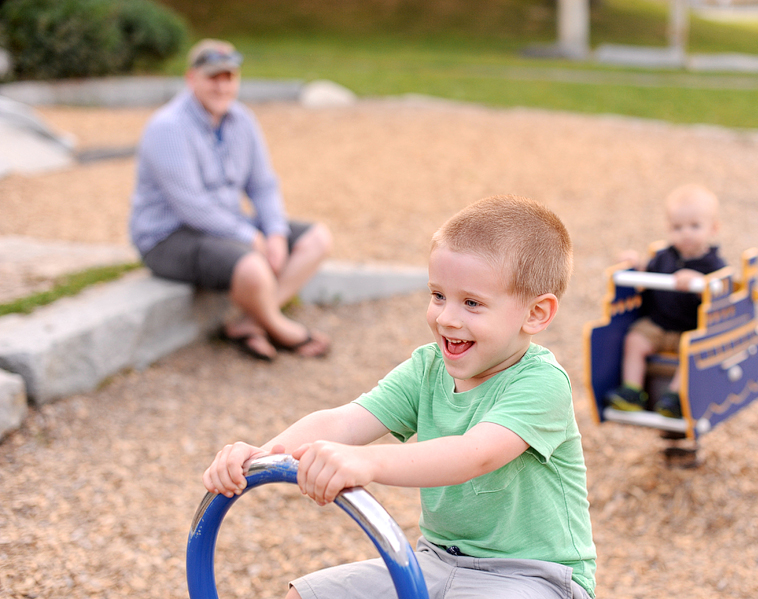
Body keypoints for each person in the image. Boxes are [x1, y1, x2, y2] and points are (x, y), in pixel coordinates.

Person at [203, 195, 597, 599]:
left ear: (536, 314)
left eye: (472, 303)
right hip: (436, 560)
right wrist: (261, 456)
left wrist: (368, 461)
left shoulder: (541, 383)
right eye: (438, 295)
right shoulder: (427, 369)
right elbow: (345, 420)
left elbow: (475, 454)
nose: (446, 317)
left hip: (533, 578)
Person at [129, 39, 332, 361]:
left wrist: (275, 233)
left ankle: (252, 322)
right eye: (213, 77)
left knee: (317, 239)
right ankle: (280, 327)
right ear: (191, 78)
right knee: (253, 266)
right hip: (168, 237)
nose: (222, 86)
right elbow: (191, 205)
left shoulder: (243, 120)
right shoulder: (166, 127)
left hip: (222, 226)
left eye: (229, 77)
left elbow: (263, 185)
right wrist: (250, 236)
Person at [606, 184, 726, 418]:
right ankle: (632, 391)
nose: (685, 233)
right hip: (658, 324)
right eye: (677, 227)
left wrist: (699, 282)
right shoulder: (664, 257)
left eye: (695, 226)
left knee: (694, 349)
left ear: (713, 228)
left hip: (690, 329)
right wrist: (634, 265)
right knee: (634, 339)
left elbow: (722, 293)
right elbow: (645, 277)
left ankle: (674, 397)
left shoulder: (714, 265)